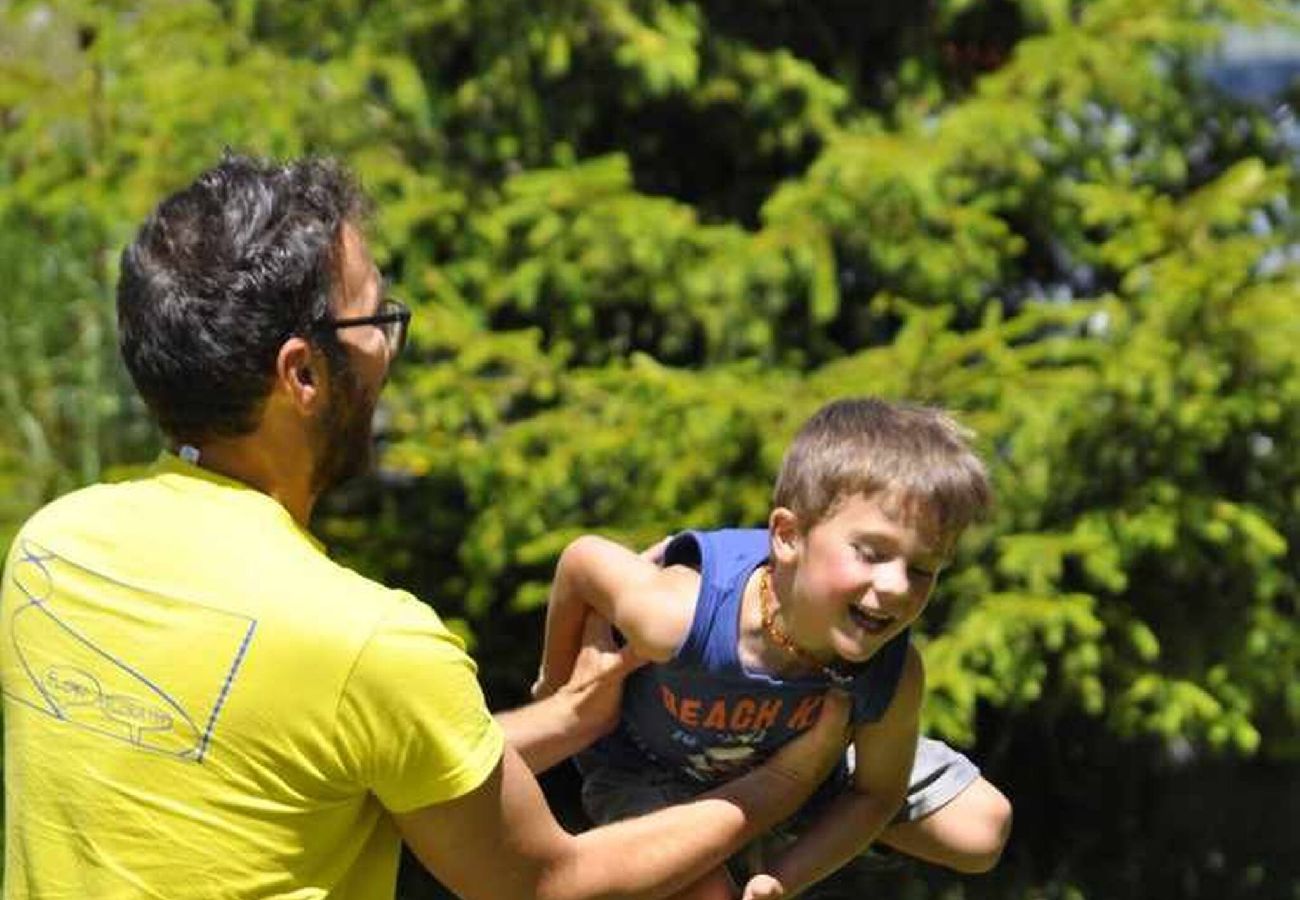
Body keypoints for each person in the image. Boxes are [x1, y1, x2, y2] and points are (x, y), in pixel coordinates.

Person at [0, 154, 854, 900]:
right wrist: (786, 778)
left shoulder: (51, 549)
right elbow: (549, 882)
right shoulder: (370, 642)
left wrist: (572, 716)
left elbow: (323, 759)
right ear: (301, 373)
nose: (389, 347)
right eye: (374, 320)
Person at [533, 398, 1013, 899]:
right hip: (651, 772)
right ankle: (728, 835)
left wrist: (782, 876)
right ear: (787, 536)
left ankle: (778, 829)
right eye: (871, 553)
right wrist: (555, 691)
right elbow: (582, 560)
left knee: (981, 828)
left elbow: (877, 793)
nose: (896, 586)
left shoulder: (892, 669)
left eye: (922, 569)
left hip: (809, 767)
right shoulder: (681, 615)